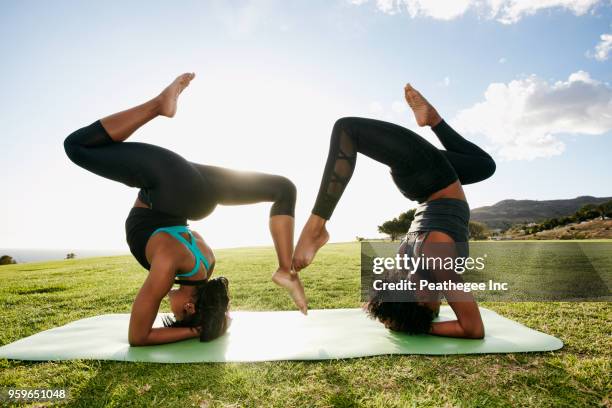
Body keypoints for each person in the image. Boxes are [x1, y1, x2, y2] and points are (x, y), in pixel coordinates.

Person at [64, 73, 307, 346]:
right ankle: (159, 105)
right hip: (172, 187)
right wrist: (196, 330)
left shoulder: (207, 262)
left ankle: (286, 268)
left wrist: (215, 321)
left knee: (283, 188)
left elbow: (216, 307)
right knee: (76, 146)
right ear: (190, 308)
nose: (171, 309)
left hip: (196, 195)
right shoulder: (168, 265)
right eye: (178, 314)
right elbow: (138, 336)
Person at [292, 84, 496, 338]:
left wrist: (412, 322)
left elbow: (471, 328)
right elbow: (471, 328)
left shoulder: (425, 262)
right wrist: (414, 323)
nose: (438, 303)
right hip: (426, 184)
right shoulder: (420, 263)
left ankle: (317, 226)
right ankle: (433, 120)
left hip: (430, 179)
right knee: (484, 165)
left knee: (348, 129)